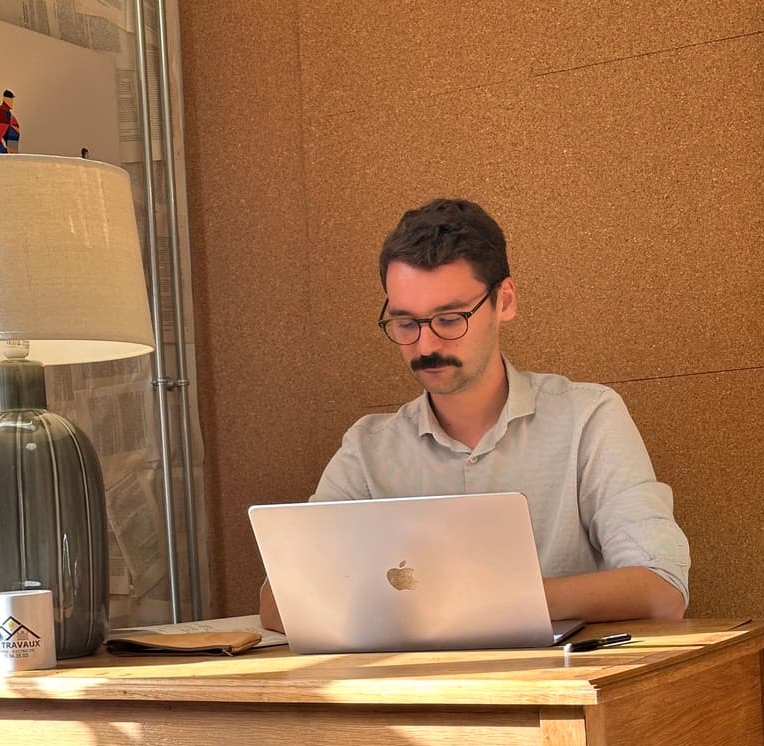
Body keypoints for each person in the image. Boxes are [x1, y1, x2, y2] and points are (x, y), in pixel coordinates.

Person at [260, 198, 689, 632]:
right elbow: (279, 602)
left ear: (504, 301)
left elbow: (661, 589)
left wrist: (480, 601)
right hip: (413, 695)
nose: (425, 346)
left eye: (449, 319)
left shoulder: (587, 418)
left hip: (554, 691)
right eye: (406, 323)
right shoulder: (368, 449)